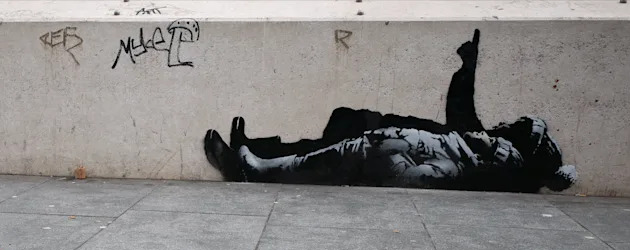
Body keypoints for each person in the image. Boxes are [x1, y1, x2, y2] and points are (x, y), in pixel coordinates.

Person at [203, 30, 576, 193]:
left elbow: (459, 140)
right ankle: (256, 153)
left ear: (527, 142)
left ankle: (251, 165)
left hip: (400, 153)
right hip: (398, 143)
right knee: (336, 131)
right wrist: (467, 70)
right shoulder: (496, 148)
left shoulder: (503, 155)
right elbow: (462, 118)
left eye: (519, 126)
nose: (509, 123)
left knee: (331, 147)